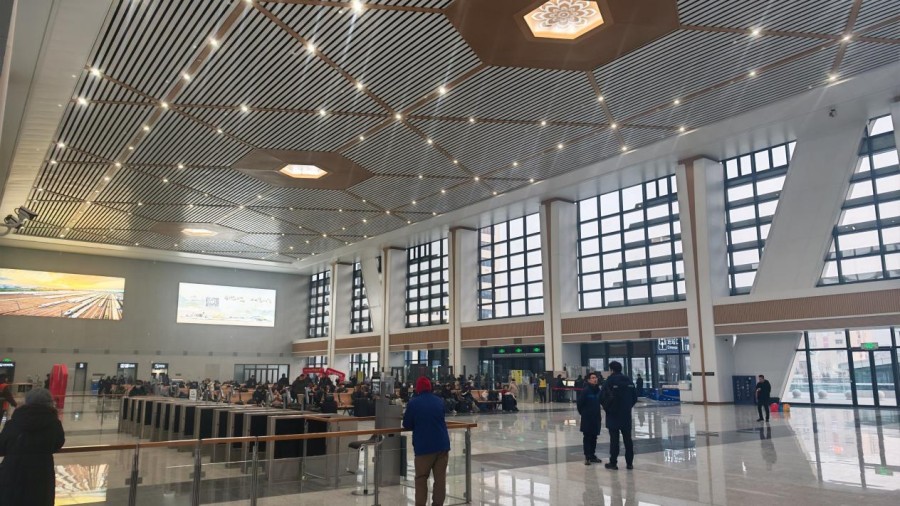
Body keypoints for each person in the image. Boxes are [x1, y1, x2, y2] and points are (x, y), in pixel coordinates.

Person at [0, 388, 66, 506]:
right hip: (41, 474)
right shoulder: (54, 424)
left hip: (12, 472)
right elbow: (58, 443)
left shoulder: (13, 423)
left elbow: (2, 447)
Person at [402, 377, 450, 506]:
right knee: (440, 480)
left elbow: (407, 424)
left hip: (424, 446)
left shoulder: (413, 403)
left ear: (418, 388)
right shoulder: (439, 401)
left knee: (421, 478)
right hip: (442, 445)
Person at [601, 361, 637, 470]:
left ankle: (613, 463)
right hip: (626, 415)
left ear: (611, 370)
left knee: (614, 440)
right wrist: (627, 407)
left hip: (613, 415)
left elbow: (601, 397)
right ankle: (629, 463)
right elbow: (634, 398)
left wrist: (607, 408)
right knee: (628, 440)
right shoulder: (628, 380)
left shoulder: (609, 381)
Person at [576, 372, 602, 465]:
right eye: (593, 378)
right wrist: (583, 413)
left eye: (596, 377)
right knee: (587, 437)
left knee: (594, 437)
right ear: (588, 380)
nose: (595, 379)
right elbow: (579, 403)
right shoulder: (586, 390)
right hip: (587, 417)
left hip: (596, 417)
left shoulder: (598, 390)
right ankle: (587, 456)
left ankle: (592, 455)